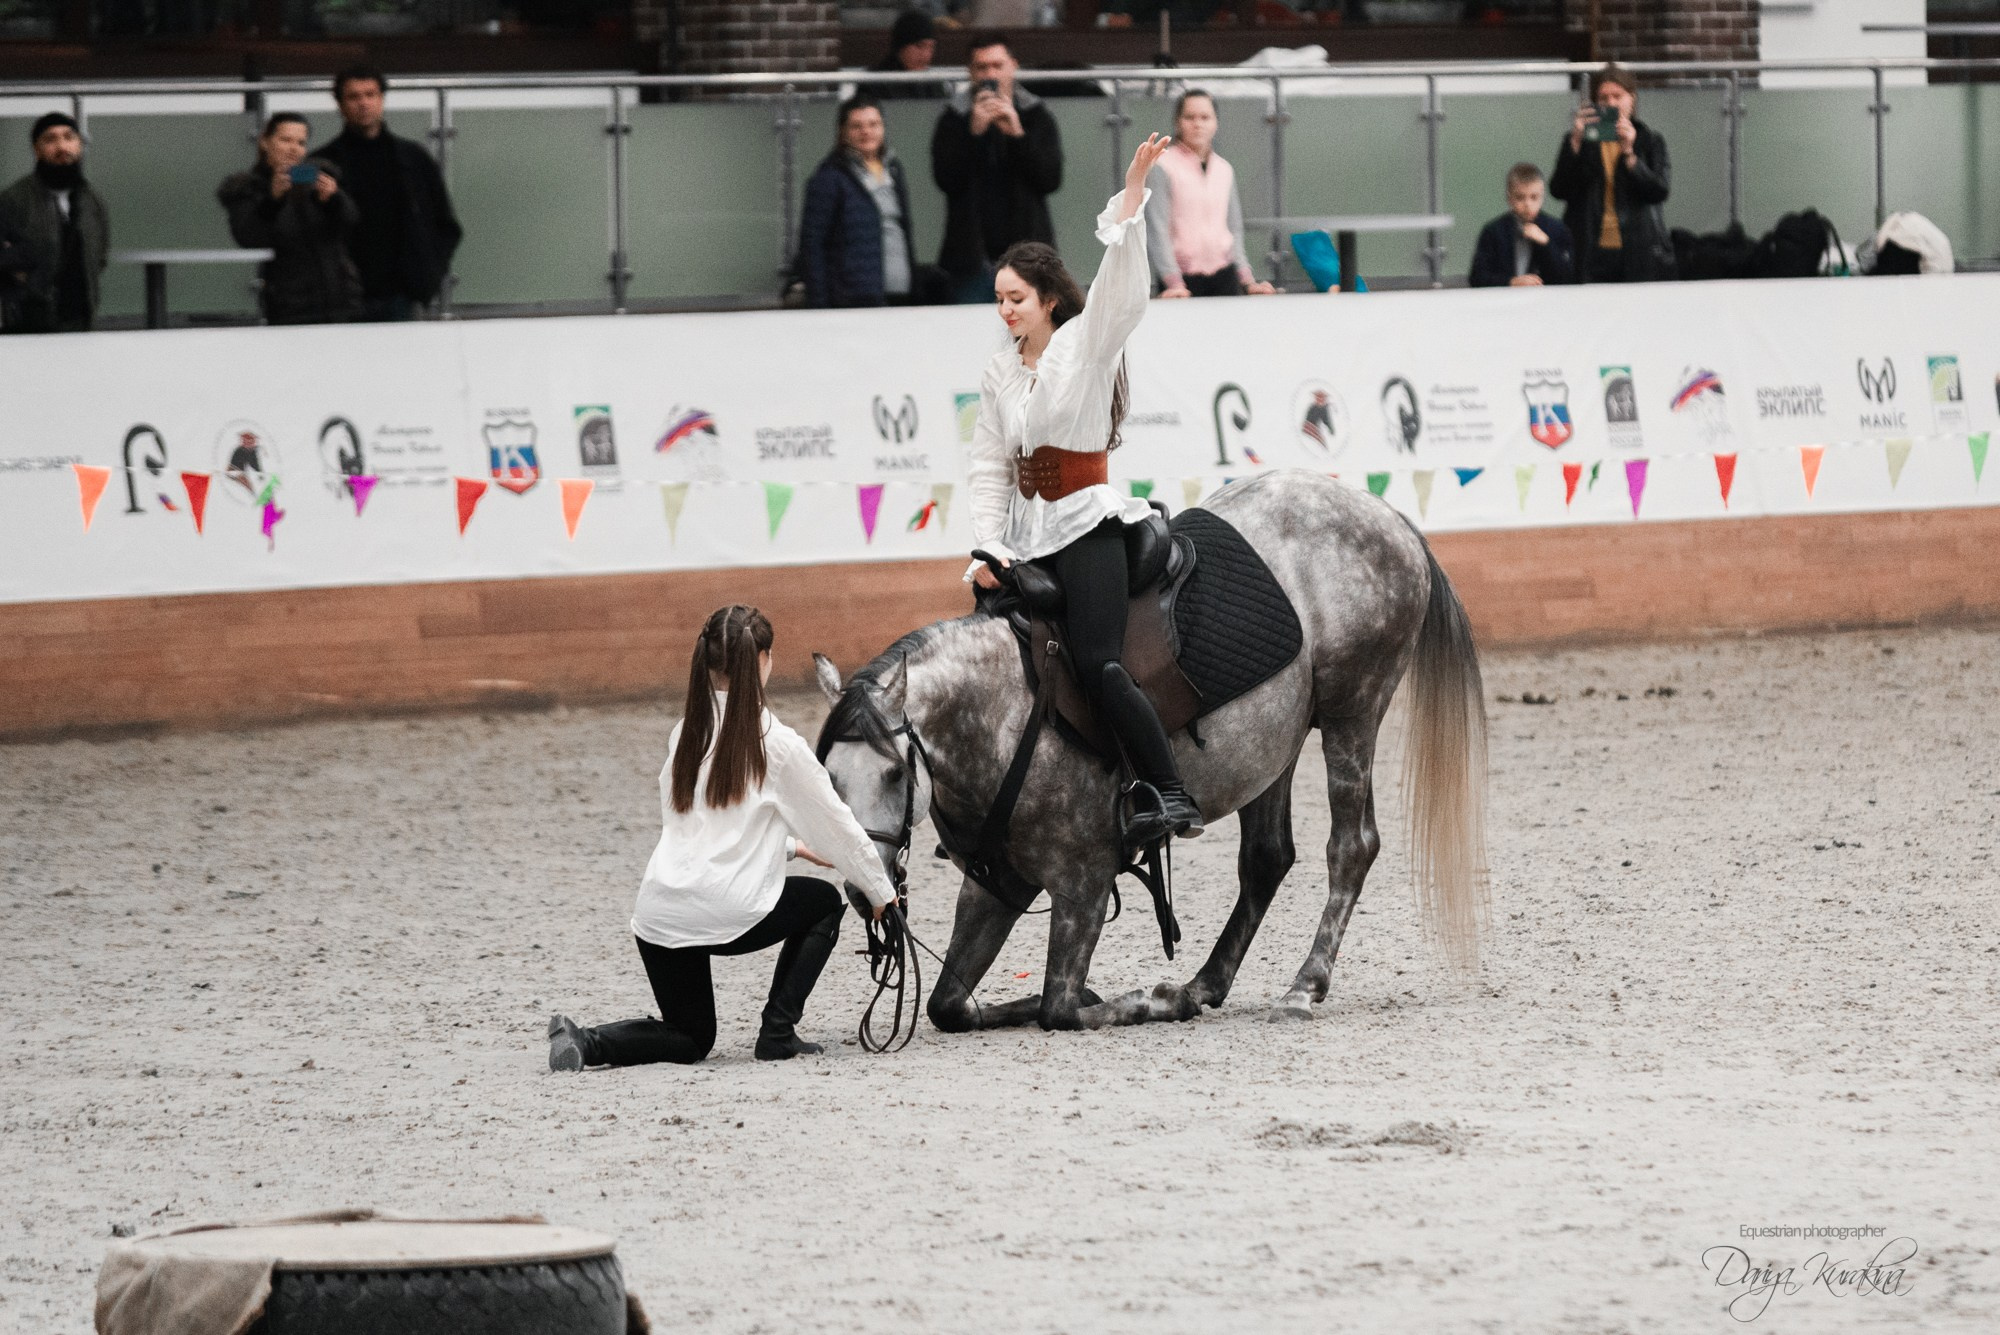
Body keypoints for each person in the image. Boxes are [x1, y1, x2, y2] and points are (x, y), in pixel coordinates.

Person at [964, 133, 1201, 846]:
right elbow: (989, 466)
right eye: (998, 300)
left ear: (1046, 300)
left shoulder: (1086, 343)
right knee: (989, 656)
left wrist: (1131, 198)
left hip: (1088, 527)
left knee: (1097, 662)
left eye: (1016, 299)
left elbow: (1121, 291)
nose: (1005, 311)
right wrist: (987, 548)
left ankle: (1168, 791)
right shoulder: (999, 372)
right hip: (1024, 537)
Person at [548, 605, 899, 1069]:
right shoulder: (779, 744)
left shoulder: (685, 733)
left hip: (660, 912)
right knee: (823, 903)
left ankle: (587, 1042)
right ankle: (777, 1033)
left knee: (692, 1039)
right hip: (728, 910)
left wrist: (791, 848)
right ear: (764, 660)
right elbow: (836, 824)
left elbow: (696, 828)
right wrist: (879, 891)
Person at [311, 65, 462, 321]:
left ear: (381, 99)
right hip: (342, 295)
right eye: (354, 96)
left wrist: (428, 275)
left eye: (370, 94)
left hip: (403, 294)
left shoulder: (414, 158)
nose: (363, 103)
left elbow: (446, 225)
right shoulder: (324, 163)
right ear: (340, 104)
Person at [931, 34, 1065, 304]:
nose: (990, 74)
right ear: (970, 72)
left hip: (1028, 258)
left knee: (1030, 329)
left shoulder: (1036, 115)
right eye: (982, 67)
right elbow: (946, 180)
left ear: (1013, 66)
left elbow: (1050, 179)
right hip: (971, 257)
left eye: (997, 65)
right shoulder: (953, 118)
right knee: (968, 327)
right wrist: (974, 135)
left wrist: (1017, 135)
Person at [216, 113, 364, 326]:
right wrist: (272, 201)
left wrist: (333, 200)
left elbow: (352, 223)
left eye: (301, 143)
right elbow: (248, 237)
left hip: (341, 300)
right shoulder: (248, 189)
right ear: (265, 142)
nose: (294, 149)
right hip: (289, 305)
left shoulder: (318, 179)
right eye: (285, 140)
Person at [1548, 64, 1675, 284]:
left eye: (1618, 96)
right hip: (1589, 246)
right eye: (1603, 97)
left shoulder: (1649, 140)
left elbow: (1659, 191)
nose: (1611, 103)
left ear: (1632, 99)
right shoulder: (1580, 141)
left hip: (1636, 248)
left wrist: (1630, 155)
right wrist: (1575, 145)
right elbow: (1558, 190)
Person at [1143, 90, 1274, 300]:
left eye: (1205, 117)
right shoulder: (1162, 166)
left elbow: (1234, 228)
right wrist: (1173, 281)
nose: (1198, 124)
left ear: (1216, 123)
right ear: (1177, 122)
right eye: (1190, 117)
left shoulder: (1224, 169)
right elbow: (1157, 229)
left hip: (1225, 277)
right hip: (1181, 282)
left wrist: (1248, 282)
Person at [796, 96, 919, 308]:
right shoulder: (829, 177)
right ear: (843, 132)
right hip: (853, 298)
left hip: (900, 293)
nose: (866, 131)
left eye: (873, 124)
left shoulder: (893, 169)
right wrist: (819, 305)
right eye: (857, 126)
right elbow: (812, 245)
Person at [0, 113, 110, 334]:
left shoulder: (91, 199)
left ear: (79, 145)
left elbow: (100, 255)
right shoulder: (14, 200)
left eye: (69, 137)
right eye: (50, 139)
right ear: (37, 149)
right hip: (26, 325)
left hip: (81, 321)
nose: (62, 147)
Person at [1468, 162, 1574, 288]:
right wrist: (1511, 282)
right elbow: (1477, 278)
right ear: (1509, 198)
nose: (1527, 204)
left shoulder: (1557, 229)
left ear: (1542, 196)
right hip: (1504, 298)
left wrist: (1546, 244)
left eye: (1534, 197)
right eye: (1520, 197)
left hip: (1545, 298)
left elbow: (1568, 278)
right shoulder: (1493, 232)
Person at [856, 10, 941, 101]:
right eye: (919, 46)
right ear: (901, 46)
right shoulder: (874, 82)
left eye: (931, 47)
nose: (926, 55)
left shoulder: (933, 83)